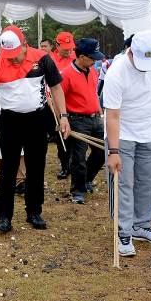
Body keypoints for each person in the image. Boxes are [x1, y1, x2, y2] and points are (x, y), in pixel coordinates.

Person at [0, 26, 70, 232]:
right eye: (8, 56)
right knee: (7, 170)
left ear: (24, 44)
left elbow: (55, 87)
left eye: (16, 55)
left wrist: (63, 116)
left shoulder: (42, 58)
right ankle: (3, 217)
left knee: (36, 167)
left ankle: (34, 211)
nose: (13, 59)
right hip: (10, 120)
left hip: (37, 118)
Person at [103, 30, 151, 257]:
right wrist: (113, 151)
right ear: (131, 51)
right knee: (123, 182)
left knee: (148, 180)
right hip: (122, 134)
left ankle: (141, 225)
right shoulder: (117, 71)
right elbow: (112, 115)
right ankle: (123, 230)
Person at [60, 38, 106, 204]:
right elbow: (58, 99)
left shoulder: (92, 70)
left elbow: (94, 92)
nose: (95, 61)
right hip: (77, 119)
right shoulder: (66, 75)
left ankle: (86, 179)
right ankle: (77, 190)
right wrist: (62, 119)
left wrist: (99, 111)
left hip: (95, 118)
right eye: (92, 57)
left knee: (102, 151)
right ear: (80, 56)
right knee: (78, 157)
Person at [49, 31, 76, 180]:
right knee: (61, 136)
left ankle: (74, 163)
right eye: (65, 47)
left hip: (74, 104)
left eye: (70, 47)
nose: (68, 50)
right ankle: (65, 165)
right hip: (57, 105)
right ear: (57, 45)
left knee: (75, 137)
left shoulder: (75, 59)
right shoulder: (50, 60)